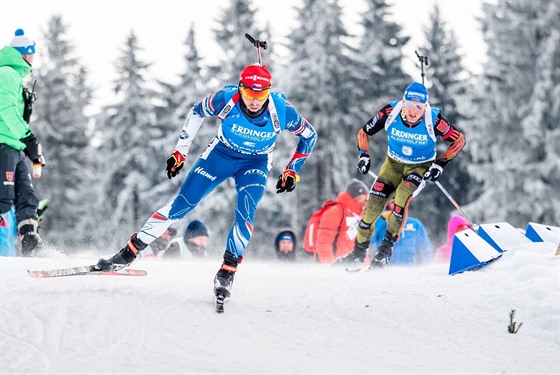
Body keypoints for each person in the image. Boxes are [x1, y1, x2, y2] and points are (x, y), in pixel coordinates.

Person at [96, 62, 317, 302]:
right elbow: (196, 112)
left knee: (246, 213)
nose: (255, 101)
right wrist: (180, 151)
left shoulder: (282, 110)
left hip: (255, 163)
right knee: (182, 205)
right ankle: (128, 253)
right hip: (220, 156)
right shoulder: (226, 99)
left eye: (261, 95)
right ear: (241, 88)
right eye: (249, 94)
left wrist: (293, 170)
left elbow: (309, 135)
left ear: (269, 92)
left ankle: (227, 272)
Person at [338, 82, 465, 268]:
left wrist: (440, 164)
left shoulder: (434, 120)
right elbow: (364, 132)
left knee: (402, 197)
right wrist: (364, 155)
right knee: (372, 207)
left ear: (425, 107)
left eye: (419, 106)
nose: (414, 111)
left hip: (419, 168)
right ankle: (358, 252)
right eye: (410, 104)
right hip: (393, 165)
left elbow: (459, 140)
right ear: (403, 102)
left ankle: (385, 252)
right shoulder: (391, 111)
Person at [0, 29, 46, 256]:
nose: (33, 58)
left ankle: (30, 242)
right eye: (31, 54)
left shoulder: (15, 78)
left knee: (27, 197)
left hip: (13, 146)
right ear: (24, 55)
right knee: (3, 198)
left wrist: (29, 147)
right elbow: (5, 109)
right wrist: (28, 137)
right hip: (2, 145)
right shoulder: (7, 73)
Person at [312, 179, 368, 263]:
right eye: (365, 195)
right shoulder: (335, 211)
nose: (367, 199)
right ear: (357, 195)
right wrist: (330, 267)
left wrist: (364, 265)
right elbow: (324, 242)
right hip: (336, 266)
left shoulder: (360, 215)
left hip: (352, 267)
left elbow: (362, 246)